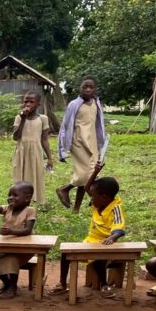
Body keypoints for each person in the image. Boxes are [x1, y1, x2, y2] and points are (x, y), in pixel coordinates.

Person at [54, 167, 126, 297]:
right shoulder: (99, 203)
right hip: (90, 241)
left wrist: (112, 238)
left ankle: (104, 285)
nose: (91, 199)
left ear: (104, 197)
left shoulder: (115, 208)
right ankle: (62, 283)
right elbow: (87, 188)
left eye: (93, 196)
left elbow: (119, 229)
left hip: (107, 244)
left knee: (98, 259)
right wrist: (95, 172)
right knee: (66, 254)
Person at [56, 77, 105, 214]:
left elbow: (98, 124)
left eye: (91, 87)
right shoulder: (74, 104)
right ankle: (65, 189)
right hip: (77, 141)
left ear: (95, 89)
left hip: (92, 142)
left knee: (86, 176)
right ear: (80, 89)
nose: (88, 89)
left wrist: (101, 143)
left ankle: (76, 209)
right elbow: (65, 126)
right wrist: (62, 148)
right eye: (85, 87)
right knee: (87, 174)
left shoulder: (96, 103)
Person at [0, 182, 37, 297]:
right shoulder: (7, 209)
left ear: (27, 198)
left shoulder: (30, 210)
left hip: (23, 249)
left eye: (15, 195)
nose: (11, 198)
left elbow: (27, 230)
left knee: (12, 259)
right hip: (6, 246)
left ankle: (12, 288)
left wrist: (11, 232)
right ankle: (8, 283)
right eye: (9, 195)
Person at [12, 92, 52, 206]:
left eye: (31, 102)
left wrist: (50, 158)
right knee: (20, 176)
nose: (28, 104)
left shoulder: (43, 119)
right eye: (25, 101)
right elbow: (15, 137)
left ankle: (31, 200)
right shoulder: (18, 117)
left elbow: (44, 139)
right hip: (21, 151)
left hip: (35, 152)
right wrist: (23, 119)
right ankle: (18, 201)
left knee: (35, 176)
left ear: (38, 104)